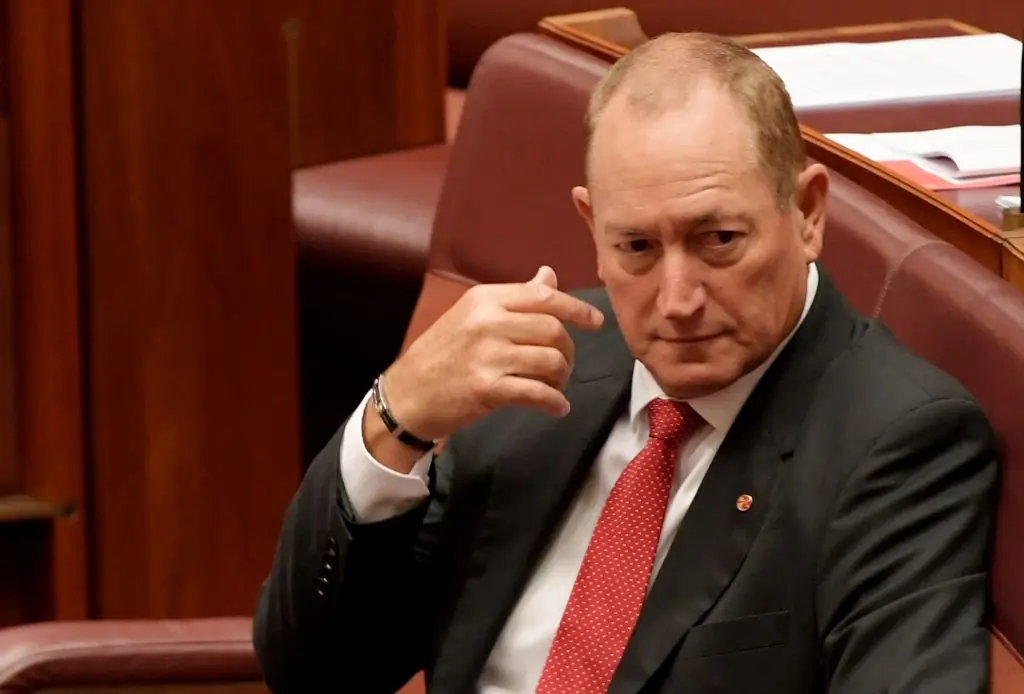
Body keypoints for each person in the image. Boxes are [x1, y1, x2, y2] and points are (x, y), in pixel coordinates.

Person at [253, 32, 998, 694]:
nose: (676, 300)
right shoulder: (538, 369)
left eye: (719, 240)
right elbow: (315, 671)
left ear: (806, 212)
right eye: (637, 248)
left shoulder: (898, 444)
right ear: (591, 226)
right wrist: (395, 417)